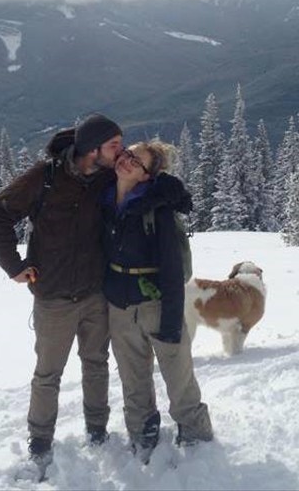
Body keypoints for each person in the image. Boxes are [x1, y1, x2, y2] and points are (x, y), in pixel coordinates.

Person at [0, 113, 123, 462]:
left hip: (95, 291)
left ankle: (97, 429)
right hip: (54, 297)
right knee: (48, 374)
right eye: (114, 145)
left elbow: (147, 182)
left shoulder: (108, 177)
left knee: (96, 363)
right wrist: (13, 267)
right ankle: (41, 440)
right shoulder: (44, 178)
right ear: (92, 150)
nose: (121, 151)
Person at [101, 140, 214, 457]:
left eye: (137, 161)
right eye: (127, 154)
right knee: (132, 376)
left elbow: (172, 268)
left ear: (147, 176)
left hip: (158, 304)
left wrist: (171, 321)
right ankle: (141, 429)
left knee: (178, 375)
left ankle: (194, 430)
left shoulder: (156, 209)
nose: (127, 161)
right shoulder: (105, 200)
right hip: (120, 306)